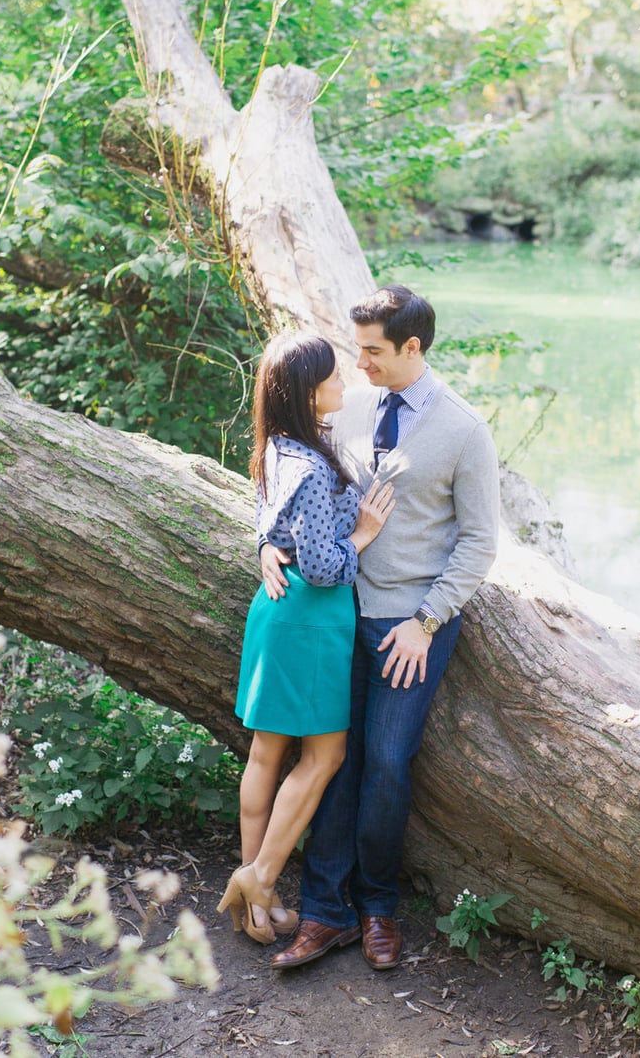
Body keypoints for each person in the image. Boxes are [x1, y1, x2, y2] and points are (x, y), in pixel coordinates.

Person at [262, 285, 500, 971]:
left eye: (371, 351)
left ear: (411, 348)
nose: (357, 362)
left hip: (408, 622)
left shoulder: (463, 429)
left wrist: (427, 621)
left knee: (388, 766)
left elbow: (480, 542)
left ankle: (377, 908)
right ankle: (324, 913)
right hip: (335, 614)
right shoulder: (350, 405)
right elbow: (284, 470)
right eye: (356, 348)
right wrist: (265, 543)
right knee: (330, 762)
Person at [217, 331, 395, 945]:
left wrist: (266, 544)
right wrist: (366, 534)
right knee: (325, 755)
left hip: (277, 610)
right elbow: (323, 565)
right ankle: (260, 880)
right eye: (333, 378)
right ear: (308, 391)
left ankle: (253, 904)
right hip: (314, 617)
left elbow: (272, 519)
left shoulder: (278, 447)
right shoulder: (314, 467)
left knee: (268, 751)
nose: (344, 383)